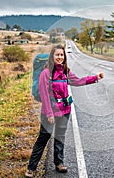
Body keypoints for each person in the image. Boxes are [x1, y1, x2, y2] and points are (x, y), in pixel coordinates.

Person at [25, 44, 104, 177]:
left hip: (64, 111)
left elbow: (78, 81)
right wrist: (49, 113)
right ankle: (31, 168)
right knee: (43, 138)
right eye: (57, 55)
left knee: (60, 138)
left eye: (62, 55)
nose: (60, 57)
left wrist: (95, 78)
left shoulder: (65, 71)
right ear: (52, 56)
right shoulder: (46, 73)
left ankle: (59, 163)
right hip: (49, 112)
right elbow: (44, 95)